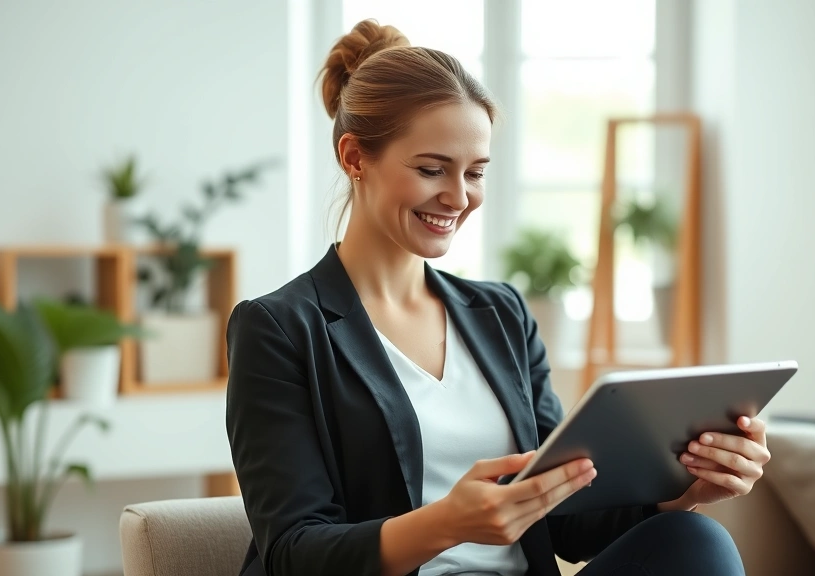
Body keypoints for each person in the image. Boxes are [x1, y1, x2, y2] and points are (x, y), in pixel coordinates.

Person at [226, 19, 768, 576]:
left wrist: (684, 489)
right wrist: (446, 523)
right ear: (355, 157)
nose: (458, 197)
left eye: (476, 173)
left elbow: (567, 519)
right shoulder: (279, 328)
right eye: (432, 169)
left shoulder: (501, 314)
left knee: (694, 540)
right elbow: (292, 552)